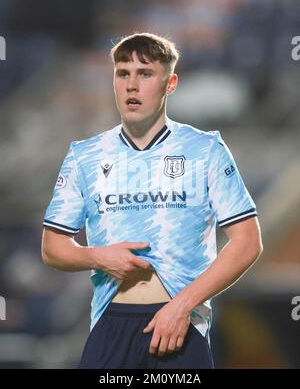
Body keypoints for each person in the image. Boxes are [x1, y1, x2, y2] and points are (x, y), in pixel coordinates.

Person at [41, 32, 263, 369]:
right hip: (110, 324)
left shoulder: (205, 150)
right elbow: (53, 247)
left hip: (179, 325)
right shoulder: (84, 156)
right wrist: (98, 256)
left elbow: (247, 242)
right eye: (122, 73)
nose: (132, 85)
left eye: (145, 74)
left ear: (170, 83)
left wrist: (182, 306)